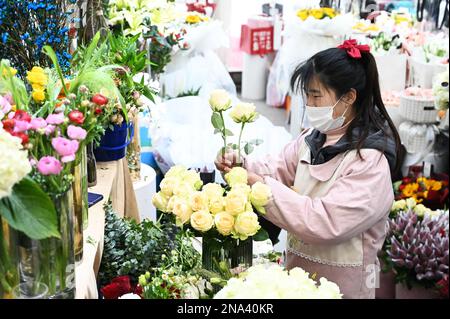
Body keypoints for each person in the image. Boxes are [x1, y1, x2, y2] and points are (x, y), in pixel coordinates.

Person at [215, 39, 402, 299]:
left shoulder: (368, 162)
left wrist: (259, 185)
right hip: (296, 282)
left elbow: (324, 222)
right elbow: (276, 167)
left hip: (343, 288)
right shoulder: (314, 139)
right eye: (307, 96)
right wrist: (241, 166)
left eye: (316, 96)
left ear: (348, 97)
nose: (309, 105)